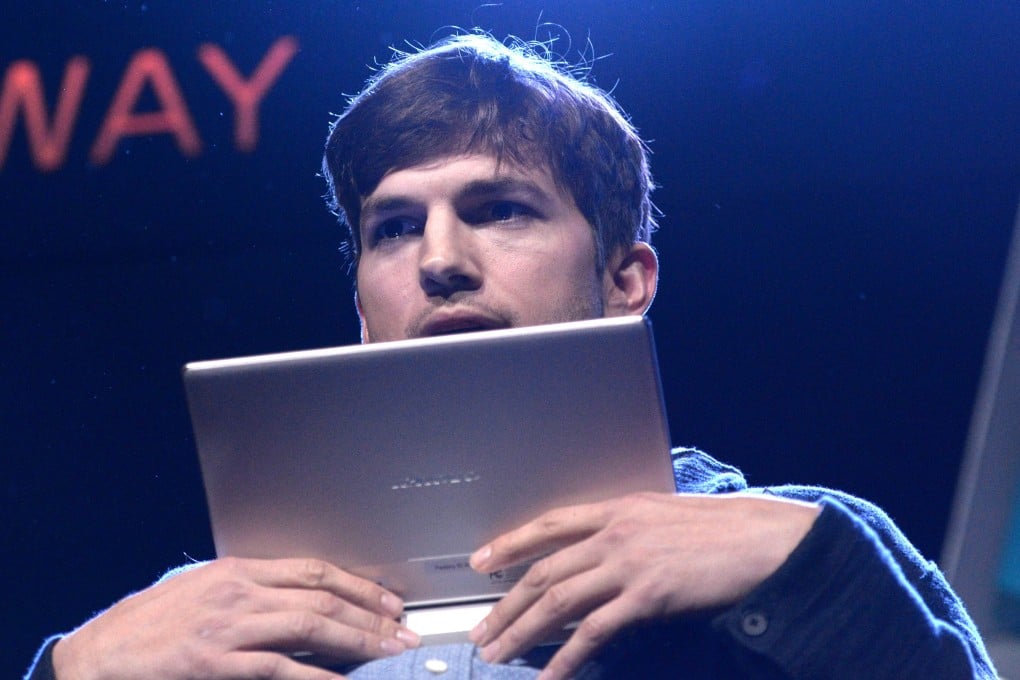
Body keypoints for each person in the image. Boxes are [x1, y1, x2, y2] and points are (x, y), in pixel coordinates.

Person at [26, 32, 994, 680]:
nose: (441, 259)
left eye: (499, 209)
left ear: (627, 280)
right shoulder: (208, 623)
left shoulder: (800, 544)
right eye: (395, 227)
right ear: (361, 303)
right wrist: (67, 670)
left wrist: (815, 574)